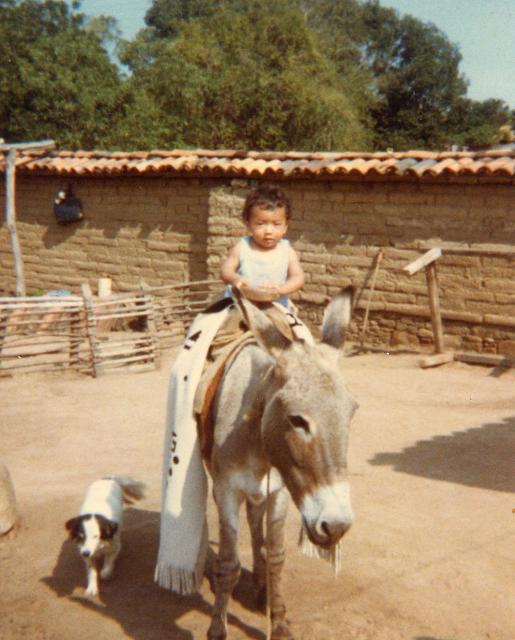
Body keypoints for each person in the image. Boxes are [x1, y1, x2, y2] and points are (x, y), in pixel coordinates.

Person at [220, 184, 304, 308]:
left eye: (276, 224)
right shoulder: (243, 247)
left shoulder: (286, 251)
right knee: (217, 324)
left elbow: (298, 277)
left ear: (285, 226)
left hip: (275, 304)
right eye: (260, 224)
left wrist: (280, 289)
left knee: (295, 327)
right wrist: (235, 279)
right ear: (248, 224)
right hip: (241, 304)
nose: (268, 231)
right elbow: (225, 271)